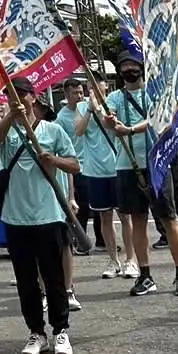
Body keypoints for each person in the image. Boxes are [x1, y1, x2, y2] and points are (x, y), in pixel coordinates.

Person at [0, 80, 80, 354]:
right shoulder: (5, 130)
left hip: (49, 215)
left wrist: (52, 159)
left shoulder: (52, 130)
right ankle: (36, 332)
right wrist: (9, 116)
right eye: (10, 95)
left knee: (54, 278)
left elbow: (75, 164)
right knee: (26, 280)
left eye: (22, 94)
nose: (16, 99)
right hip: (16, 217)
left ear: (33, 97)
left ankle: (60, 330)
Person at [104, 53, 178, 297]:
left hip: (157, 163)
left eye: (133, 65)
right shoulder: (114, 96)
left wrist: (130, 129)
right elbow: (108, 118)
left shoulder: (155, 93)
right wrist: (109, 120)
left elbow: (160, 120)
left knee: (169, 218)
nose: (129, 69)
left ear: (142, 68)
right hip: (126, 166)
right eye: (124, 66)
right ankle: (145, 275)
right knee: (138, 220)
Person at [71, 82, 135, 280]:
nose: (94, 92)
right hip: (95, 170)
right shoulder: (82, 107)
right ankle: (113, 260)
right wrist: (90, 109)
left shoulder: (114, 102)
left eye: (98, 87)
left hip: (118, 167)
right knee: (104, 217)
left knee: (125, 216)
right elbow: (79, 131)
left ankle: (131, 260)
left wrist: (100, 110)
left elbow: (116, 128)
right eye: (90, 88)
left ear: (105, 86)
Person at [55, 82, 101, 254]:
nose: (80, 96)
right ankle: (80, 241)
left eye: (81, 92)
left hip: (94, 162)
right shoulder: (62, 118)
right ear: (66, 95)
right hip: (78, 165)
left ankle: (101, 240)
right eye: (75, 93)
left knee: (98, 205)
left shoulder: (89, 108)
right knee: (82, 206)